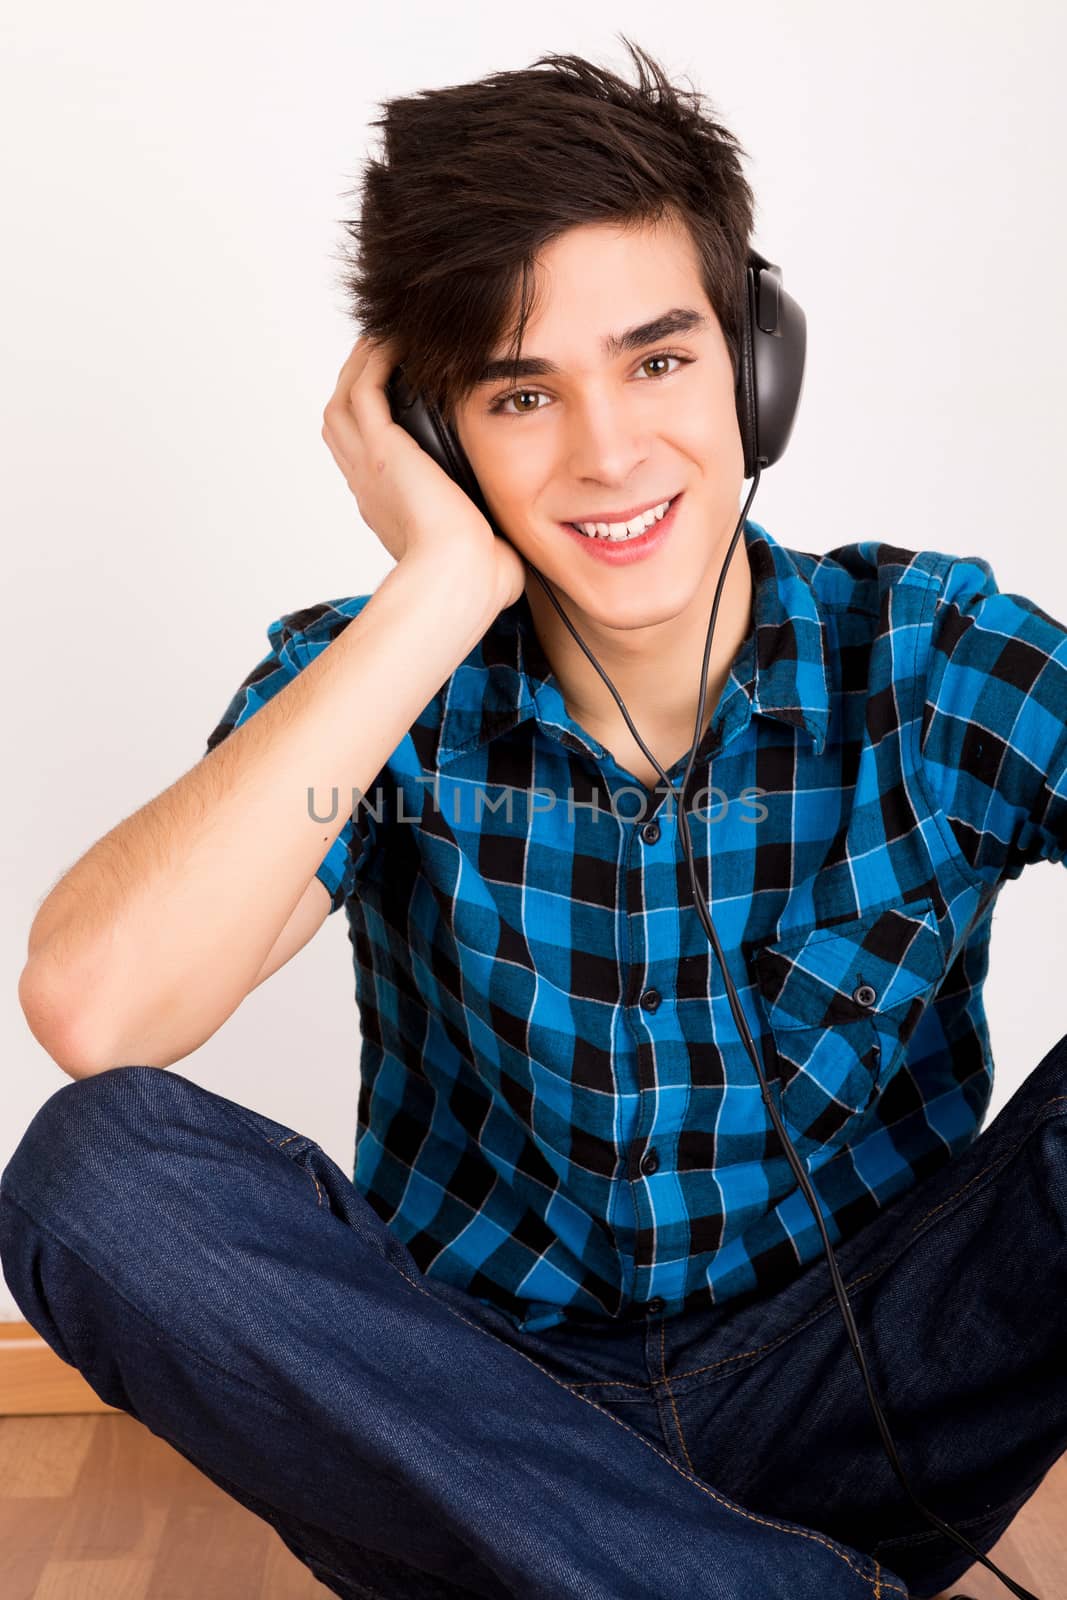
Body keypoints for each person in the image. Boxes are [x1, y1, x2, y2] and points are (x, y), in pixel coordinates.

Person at [4, 35, 1066, 1600]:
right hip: (476, 1440)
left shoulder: (936, 657)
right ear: (435, 437)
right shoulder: (366, 688)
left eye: (657, 360)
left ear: (755, 366)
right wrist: (437, 587)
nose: (610, 451)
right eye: (519, 394)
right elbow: (98, 1010)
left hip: (865, 1413)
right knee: (91, 1176)